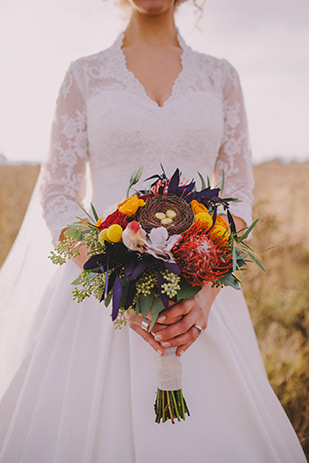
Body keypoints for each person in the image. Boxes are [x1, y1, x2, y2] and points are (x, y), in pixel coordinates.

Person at [0, 0, 307, 461]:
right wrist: (112, 278)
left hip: (202, 296)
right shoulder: (84, 75)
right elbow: (58, 195)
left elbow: (239, 190)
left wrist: (204, 290)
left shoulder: (220, 76)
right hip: (98, 292)